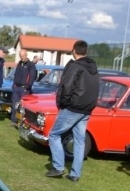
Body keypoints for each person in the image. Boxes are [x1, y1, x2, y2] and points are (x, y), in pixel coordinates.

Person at [46, 40, 99, 182]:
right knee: (79, 141)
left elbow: (66, 87)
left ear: (74, 51)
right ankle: (75, 174)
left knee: (54, 134)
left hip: (73, 107)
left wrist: (63, 104)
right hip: (86, 110)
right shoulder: (93, 68)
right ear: (86, 51)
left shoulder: (75, 66)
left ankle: (58, 167)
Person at [10, 48, 38, 126]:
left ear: (26, 55)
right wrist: (14, 85)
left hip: (24, 89)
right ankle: (14, 121)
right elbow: (16, 75)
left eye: (23, 56)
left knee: (23, 106)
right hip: (16, 87)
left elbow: (32, 77)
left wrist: (27, 86)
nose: (22, 57)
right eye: (20, 56)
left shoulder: (31, 65)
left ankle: (23, 122)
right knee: (14, 104)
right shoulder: (19, 64)